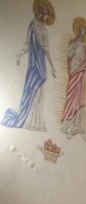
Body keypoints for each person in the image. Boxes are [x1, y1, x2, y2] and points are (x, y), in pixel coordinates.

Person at [2, 0, 57, 130]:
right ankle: (25, 118)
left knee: (39, 87)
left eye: (45, 12)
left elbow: (46, 48)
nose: (42, 13)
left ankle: (35, 121)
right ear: (38, 10)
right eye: (41, 10)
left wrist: (52, 66)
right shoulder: (33, 25)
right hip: (33, 63)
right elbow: (27, 43)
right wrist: (20, 54)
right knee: (30, 87)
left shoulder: (43, 29)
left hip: (41, 63)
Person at [60, 17, 86, 141]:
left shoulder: (85, 48)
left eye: (85, 32)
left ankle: (77, 129)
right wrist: (73, 48)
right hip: (74, 73)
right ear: (78, 32)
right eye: (82, 31)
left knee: (79, 101)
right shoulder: (73, 42)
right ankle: (67, 127)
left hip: (81, 76)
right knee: (71, 99)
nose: (83, 34)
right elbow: (70, 56)